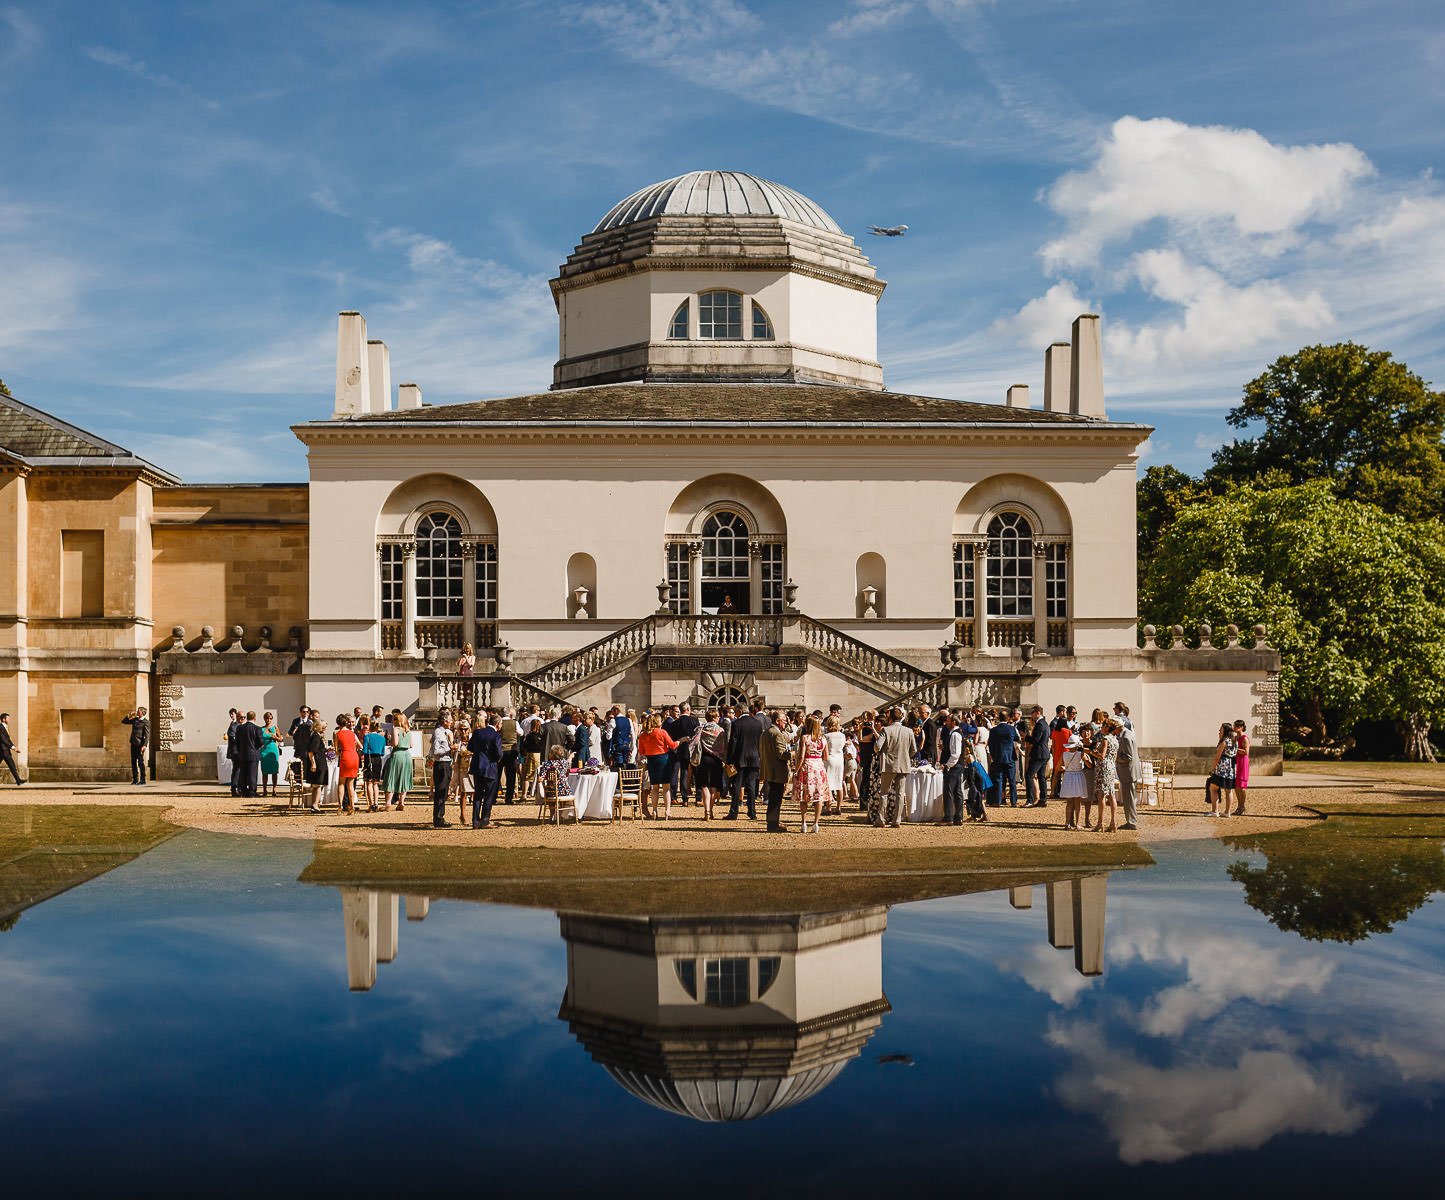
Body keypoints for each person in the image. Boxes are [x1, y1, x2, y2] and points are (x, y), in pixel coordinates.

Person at [870, 707, 915, 828]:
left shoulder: (886, 730)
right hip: (903, 764)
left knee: (884, 793)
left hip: (888, 764)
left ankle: (881, 819)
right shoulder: (909, 731)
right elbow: (914, 749)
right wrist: (905, 756)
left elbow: (877, 746)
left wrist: (880, 752)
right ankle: (897, 819)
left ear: (890, 717)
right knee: (900, 793)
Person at [725, 701, 765, 820]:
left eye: (736, 711)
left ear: (740, 711)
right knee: (751, 786)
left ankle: (734, 812)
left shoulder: (737, 723)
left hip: (740, 758)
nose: (735, 714)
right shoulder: (757, 724)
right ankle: (752, 812)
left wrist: (729, 760)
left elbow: (733, 743)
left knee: (737, 785)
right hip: (754, 758)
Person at [794, 715, 831, 834]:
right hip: (819, 766)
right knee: (818, 796)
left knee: (804, 796)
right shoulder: (823, 739)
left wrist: (796, 769)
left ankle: (804, 822)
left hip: (807, 766)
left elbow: (801, 755)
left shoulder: (805, 738)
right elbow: (826, 757)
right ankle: (816, 823)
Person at [637, 713, 678, 820]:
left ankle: (654, 811)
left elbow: (641, 751)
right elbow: (672, 745)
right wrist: (680, 741)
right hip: (663, 759)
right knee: (666, 788)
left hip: (651, 760)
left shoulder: (643, 735)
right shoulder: (662, 732)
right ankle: (667, 811)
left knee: (654, 788)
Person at [468, 712, 502, 828]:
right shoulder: (496, 735)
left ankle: (475, 821)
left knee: (477, 795)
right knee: (489, 796)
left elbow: (470, 747)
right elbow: (498, 753)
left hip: (478, 766)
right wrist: (496, 759)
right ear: (497, 724)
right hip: (490, 767)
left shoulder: (477, 732)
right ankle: (485, 820)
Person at [694, 708, 728, 820]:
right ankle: (711, 810)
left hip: (704, 759)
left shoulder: (701, 728)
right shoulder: (720, 730)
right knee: (714, 787)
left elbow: (694, 742)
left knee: (704, 786)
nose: (719, 718)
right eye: (717, 716)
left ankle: (706, 811)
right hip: (716, 760)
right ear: (713, 717)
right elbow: (724, 747)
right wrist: (724, 758)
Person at [759, 710, 791, 832]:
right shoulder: (776, 734)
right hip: (777, 770)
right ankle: (773, 824)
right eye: (784, 721)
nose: (786, 724)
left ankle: (773, 821)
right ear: (777, 721)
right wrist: (794, 754)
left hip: (769, 769)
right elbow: (781, 754)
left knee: (774, 797)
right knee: (776, 798)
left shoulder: (765, 732)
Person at [1090, 717, 1121, 833]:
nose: (1101, 728)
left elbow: (1102, 755)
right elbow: (1114, 757)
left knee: (1101, 795)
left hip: (1103, 767)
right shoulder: (1115, 739)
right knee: (1111, 794)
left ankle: (1100, 823)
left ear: (1107, 727)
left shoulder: (1105, 739)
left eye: (1103, 726)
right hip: (1112, 767)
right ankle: (1113, 822)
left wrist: (1093, 752)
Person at [1115, 715, 1143, 830]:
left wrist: (1115, 758)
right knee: (1129, 798)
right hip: (1130, 772)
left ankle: (1131, 822)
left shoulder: (1126, 737)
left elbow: (1128, 757)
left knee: (1129, 799)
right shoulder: (1129, 733)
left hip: (1128, 772)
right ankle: (1131, 821)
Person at [669, 702, 699, 805]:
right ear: (688, 709)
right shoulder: (695, 721)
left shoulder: (675, 723)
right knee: (696, 774)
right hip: (693, 750)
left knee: (683, 774)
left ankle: (684, 798)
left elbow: (672, 739)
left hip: (680, 750)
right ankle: (698, 798)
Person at [987, 715, 1020, 807]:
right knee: (1012, 780)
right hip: (1010, 757)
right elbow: (1017, 738)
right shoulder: (1011, 729)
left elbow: (991, 744)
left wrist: (993, 755)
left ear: (998, 719)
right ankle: (1013, 801)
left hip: (998, 757)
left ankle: (998, 801)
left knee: (998, 780)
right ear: (1008, 719)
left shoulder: (994, 730)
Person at [941, 711, 967, 826]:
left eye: (948, 720)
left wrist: (948, 765)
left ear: (954, 722)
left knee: (949, 791)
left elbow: (955, 754)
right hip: (957, 765)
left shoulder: (955, 734)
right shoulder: (954, 733)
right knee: (957, 792)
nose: (946, 722)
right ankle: (957, 817)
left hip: (954, 766)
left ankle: (949, 817)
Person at [382, 712, 413, 809]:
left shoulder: (395, 729)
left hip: (397, 754)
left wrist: (390, 740)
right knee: (404, 778)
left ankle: (388, 803)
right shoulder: (408, 731)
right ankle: (401, 802)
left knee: (391, 777)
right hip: (407, 755)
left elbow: (395, 743)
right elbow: (411, 745)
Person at [429, 709, 454, 827]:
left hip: (446, 763)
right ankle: (438, 818)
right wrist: (450, 748)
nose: (452, 722)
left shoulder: (445, 732)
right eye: (450, 720)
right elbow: (436, 751)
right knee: (441, 791)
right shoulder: (438, 733)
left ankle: (440, 816)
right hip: (441, 764)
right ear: (445, 721)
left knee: (444, 792)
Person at [1206, 722, 1237, 817]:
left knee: (1213, 788)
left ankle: (1215, 811)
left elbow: (1217, 758)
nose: (1219, 731)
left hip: (1221, 768)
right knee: (1229, 790)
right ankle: (1227, 812)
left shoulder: (1224, 742)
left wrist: (1212, 769)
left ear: (1225, 731)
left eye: (1221, 729)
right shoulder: (1234, 741)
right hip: (1231, 769)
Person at [331, 713, 359, 814]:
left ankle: (340, 806)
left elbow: (336, 751)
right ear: (346, 722)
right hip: (354, 756)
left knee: (341, 783)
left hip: (345, 756)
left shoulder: (337, 734)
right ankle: (352, 806)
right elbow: (360, 746)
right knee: (350, 784)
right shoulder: (352, 733)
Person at [1023, 706, 1050, 807]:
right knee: (1041, 777)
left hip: (1038, 753)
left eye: (1032, 713)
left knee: (1029, 775)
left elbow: (1035, 740)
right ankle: (1043, 799)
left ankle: (1030, 800)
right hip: (1044, 753)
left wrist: (1026, 737)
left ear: (1038, 713)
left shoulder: (1039, 724)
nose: (1031, 715)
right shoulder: (1045, 723)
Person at [1060, 732, 1087, 831]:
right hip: (1078, 776)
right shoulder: (1080, 754)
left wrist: (1066, 768)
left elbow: (1059, 766)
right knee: (1078, 803)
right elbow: (1089, 764)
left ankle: (1067, 823)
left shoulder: (1064, 754)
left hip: (1068, 776)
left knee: (1069, 803)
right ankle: (1078, 823)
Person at [361, 716, 387, 811]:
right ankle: (376, 803)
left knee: (369, 783)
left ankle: (371, 804)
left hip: (369, 759)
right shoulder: (382, 738)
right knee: (376, 783)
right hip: (378, 759)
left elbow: (364, 750)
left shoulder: (367, 737)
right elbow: (383, 752)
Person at [304, 714, 329, 811]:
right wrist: (313, 763)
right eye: (324, 726)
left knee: (316, 786)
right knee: (318, 785)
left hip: (320, 762)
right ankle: (315, 805)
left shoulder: (316, 736)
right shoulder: (316, 737)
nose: (325, 728)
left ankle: (314, 805)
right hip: (318, 763)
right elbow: (311, 752)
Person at [122, 706, 150, 785]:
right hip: (133, 743)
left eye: (138, 711)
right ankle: (135, 779)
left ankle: (143, 780)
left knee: (140, 762)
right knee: (133, 762)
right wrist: (129, 715)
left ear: (142, 712)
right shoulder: (135, 720)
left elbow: (147, 735)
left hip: (140, 745)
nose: (137, 712)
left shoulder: (146, 722)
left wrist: (145, 745)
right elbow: (124, 721)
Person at [498, 707, 520, 803]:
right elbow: (521, 733)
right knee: (511, 776)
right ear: (510, 714)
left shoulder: (499, 722)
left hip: (500, 750)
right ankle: (508, 798)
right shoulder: (514, 723)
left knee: (497, 774)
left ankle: (493, 797)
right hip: (511, 751)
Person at [857, 710, 877, 809]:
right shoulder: (866, 728)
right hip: (867, 756)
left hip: (870, 756)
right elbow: (861, 739)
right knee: (866, 779)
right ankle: (864, 802)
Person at [259, 711, 281, 798]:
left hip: (273, 750)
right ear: (264, 719)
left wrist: (275, 737)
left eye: (270, 718)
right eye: (267, 718)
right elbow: (259, 739)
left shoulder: (275, 728)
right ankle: (264, 789)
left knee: (274, 771)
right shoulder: (261, 729)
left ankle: (274, 789)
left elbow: (280, 739)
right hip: (264, 750)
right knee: (265, 771)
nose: (269, 720)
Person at [1232, 718, 1251, 815]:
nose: (1234, 728)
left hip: (1242, 763)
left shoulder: (1244, 738)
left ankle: (1242, 806)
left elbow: (1246, 752)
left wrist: (1235, 748)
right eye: (1234, 726)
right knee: (1236, 786)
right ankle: (1239, 806)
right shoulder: (1235, 738)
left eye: (1236, 726)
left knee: (1242, 786)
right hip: (1236, 763)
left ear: (1241, 727)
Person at [609, 706, 634, 772]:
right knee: (626, 765)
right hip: (626, 745)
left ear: (616, 711)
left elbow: (608, 736)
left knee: (619, 767)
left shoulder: (613, 720)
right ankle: (625, 781)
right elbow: (632, 735)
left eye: (613, 712)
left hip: (618, 745)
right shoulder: (629, 720)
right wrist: (632, 747)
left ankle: (620, 781)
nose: (612, 714)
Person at [0, 711, 22, 784]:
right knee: (12, 765)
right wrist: (13, 748)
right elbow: (3, 739)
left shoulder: (5, 727)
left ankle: (18, 780)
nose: (9, 720)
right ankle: (18, 780)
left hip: (5, 751)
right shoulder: (0, 727)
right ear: (3, 719)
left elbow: (8, 740)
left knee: (12, 765)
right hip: (3, 750)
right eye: (8, 719)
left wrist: (14, 747)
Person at [224, 708, 242, 796]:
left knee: (237, 769)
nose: (231, 715)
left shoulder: (236, 724)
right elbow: (233, 737)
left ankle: (238, 787)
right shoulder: (233, 725)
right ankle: (234, 788)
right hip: (235, 751)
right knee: (236, 769)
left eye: (232, 714)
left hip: (236, 750)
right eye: (230, 714)